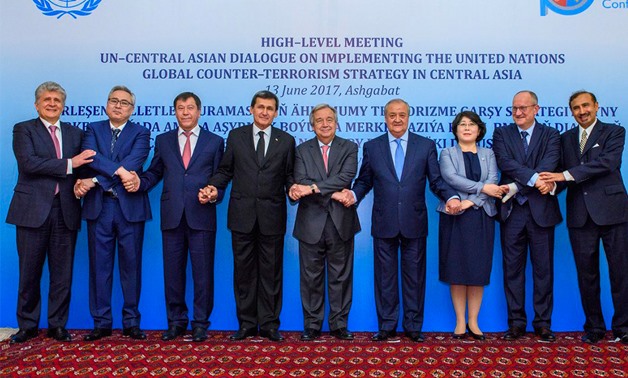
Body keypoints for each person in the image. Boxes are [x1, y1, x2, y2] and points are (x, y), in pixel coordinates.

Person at [339, 98, 460, 342]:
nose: (397, 119)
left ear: (408, 117)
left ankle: (414, 326)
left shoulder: (425, 145)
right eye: (392, 115)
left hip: (414, 220)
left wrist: (452, 196)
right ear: (385, 118)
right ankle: (387, 326)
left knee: (415, 276)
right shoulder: (372, 147)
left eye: (401, 115)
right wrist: (353, 194)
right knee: (385, 277)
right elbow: (364, 180)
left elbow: (435, 181)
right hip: (384, 221)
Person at [123, 92, 224, 342]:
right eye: (181, 108)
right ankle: (176, 322)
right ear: (175, 112)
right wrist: (139, 182)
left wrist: (214, 194)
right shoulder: (164, 140)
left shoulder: (215, 141)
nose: (186, 112)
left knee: (203, 275)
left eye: (190, 108)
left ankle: (200, 323)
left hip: (202, 215)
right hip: (172, 216)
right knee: (173, 273)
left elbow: (220, 177)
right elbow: (155, 172)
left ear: (199, 111)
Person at [200, 90, 295, 341]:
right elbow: (225, 170)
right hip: (242, 215)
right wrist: (213, 186)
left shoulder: (286, 140)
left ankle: (270, 324)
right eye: (260, 107)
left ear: (276, 113)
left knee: (271, 273)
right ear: (251, 109)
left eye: (270, 108)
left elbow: (288, 176)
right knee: (243, 272)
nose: (265, 112)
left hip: (272, 216)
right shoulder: (236, 136)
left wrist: (294, 187)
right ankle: (246, 324)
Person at [6, 81, 95, 343]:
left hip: (65, 210)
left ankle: (58, 325)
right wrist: (70, 164)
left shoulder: (75, 133)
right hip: (32, 210)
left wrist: (82, 179)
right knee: (29, 272)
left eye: (57, 100)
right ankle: (28, 325)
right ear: (37, 104)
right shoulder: (23, 130)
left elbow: (83, 168)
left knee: (62, 273)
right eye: (47, 100)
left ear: (63, 106)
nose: (52, 104)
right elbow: (29, 163)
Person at [539, 91, 628, 344]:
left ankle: (623, 326)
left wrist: (562, 176)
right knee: (586, 274)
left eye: (586, 105)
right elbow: (560, 175)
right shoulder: (565, 138)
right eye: (576, 108)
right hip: (580, 214)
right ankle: (595, 327)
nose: (582, 111)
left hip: (613, 211)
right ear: (571, 111)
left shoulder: (614, 132)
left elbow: (607, 164)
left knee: (621, 272)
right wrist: (551, 186)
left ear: (597, 106)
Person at [74, 85, 151, 341]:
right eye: (114, 101)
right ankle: (101, 322)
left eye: (124, 102)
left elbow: (134, 163)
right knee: (99, 268)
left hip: (129, 208)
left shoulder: (141, 132)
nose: (118, 106)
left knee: (132, 268)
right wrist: (118, 172)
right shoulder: (92, 129)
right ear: (106, 104)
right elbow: (92, 159)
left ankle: (131, 322)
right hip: (100, 209)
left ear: (132, 109)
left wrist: (95, 181)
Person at [492, 90, 562, 342]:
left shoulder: (552, 135)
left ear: (536, 109)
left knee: (544, 270)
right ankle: (516, 323)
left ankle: (543, 323)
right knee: (512, 270)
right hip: (512, 213)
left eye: (523, 108)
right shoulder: (501, 134)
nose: (518, 113)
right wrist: (533, 179)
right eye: (514, 109)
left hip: (541, 211)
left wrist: (514, 186)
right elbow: (506, 163)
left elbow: (550, 163)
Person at [289, 104, 361, 341]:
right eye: (319, 120)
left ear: (336, 122)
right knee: (310, 277)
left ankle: (339, 324)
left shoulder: (349, 147)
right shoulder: (301, 150)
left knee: (341, 276)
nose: (325, 124)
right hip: (311, 222)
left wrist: (313, 188)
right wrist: (335, 192)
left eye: (329, 119)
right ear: (312, 125)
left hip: (341, 222)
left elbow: (345, 177)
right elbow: (300, 178)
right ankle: (312, 325)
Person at [437, 111, 506, 340]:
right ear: (456, 130)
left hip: (481, 216)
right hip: (455, 217)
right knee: (457, 270)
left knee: (477, 271)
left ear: (479, 130)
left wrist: (470, 201)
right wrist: (480, 189)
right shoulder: (447, 153)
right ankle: (459, 323)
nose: (467, 128)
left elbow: (493, 182)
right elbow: (451, 178)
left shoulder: (489, 153)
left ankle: (474, 322)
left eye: (472, 124)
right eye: (462, 124)